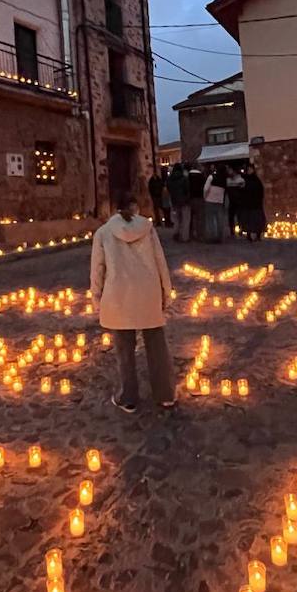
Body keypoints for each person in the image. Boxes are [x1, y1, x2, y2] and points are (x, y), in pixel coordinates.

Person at [90, 189, 175, 412]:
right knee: (156, 345)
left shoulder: (104, 232)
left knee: (124, 349)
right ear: (135, 208)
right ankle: (165, 393)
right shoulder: (147, 228)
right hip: (148, 291)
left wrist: (96, 298)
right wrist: (166, 291)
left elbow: (97, 268)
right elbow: (160, 261)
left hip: (119, 294)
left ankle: (129, 396)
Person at [203, 164, 228, 242]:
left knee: (210, 220)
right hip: (219, 201)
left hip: (210, 200)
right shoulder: (224, 179)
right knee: (219, 219)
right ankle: (220, 236)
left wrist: (205, 197)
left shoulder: (211, 177)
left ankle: (211, 236)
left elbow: (206, 188)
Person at [241, 166, 267, 241]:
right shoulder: (246, 180)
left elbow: (260, 191)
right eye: (248, 169)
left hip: (256, 204)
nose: (249, 171)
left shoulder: (256, 180)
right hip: (249, 204)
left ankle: (258, 235)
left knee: (257, 220)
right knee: (249, 220)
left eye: (250, 169)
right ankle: (249, 235)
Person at [168, 162, 190, 241]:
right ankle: (185, 237)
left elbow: (169, 189)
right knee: (185, 220)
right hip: (184, 201)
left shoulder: (170, 179)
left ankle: (176, 233)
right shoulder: (184, 178)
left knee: (176, 219)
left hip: (174, 201)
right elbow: (187, 190)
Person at [187, 162, 206, 242]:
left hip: (190, 198)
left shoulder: (188, 177)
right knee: (200, 218)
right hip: (199, 198)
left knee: (190, 218)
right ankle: (200, 235)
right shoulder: (202, 177)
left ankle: (190, 234)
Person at [226, 165, 245, 237]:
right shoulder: (228, 180)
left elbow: (242, 188)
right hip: (231, 201)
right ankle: (232, 231)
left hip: (238, 201)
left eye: (230, 170)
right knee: (231, 216)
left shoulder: (240, 179)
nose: (229, 172)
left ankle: (241, 230)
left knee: (239, 216)